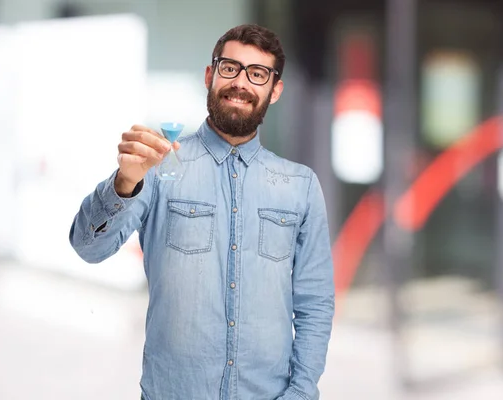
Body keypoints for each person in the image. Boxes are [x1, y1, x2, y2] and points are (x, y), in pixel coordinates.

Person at [69, 23, 335, 400]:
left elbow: (315, 302)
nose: (241, 82)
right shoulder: (159, 167)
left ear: (274, 91)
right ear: (210, 76)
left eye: (257, 74)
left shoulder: (300, 185)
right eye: (230, 68)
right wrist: (123, 183)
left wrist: (302, 392)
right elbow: (87, 247)